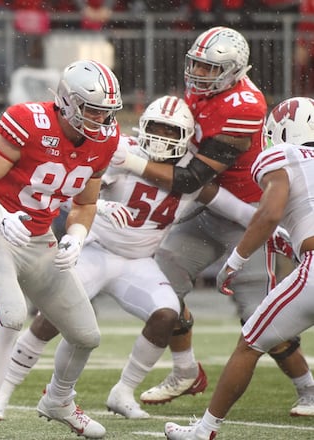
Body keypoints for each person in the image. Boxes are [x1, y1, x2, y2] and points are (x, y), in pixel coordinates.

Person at [0, 95, 277, 421]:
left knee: (167, 313)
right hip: (96, 250)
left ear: (184, 136)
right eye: (156, 128)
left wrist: (279, 229)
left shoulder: (190, 174)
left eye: (171, 131)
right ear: (142, 127)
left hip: (139, 261)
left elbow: (237, 209)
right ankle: (4, 390)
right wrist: (102, 206)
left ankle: (123, 391)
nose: (162, 137)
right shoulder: (121, 153)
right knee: (54, 316)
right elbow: (69, 196)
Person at [110, 26, 314, 415]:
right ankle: (186, 370)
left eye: (209, 69)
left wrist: (132, 161)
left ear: (234, 70)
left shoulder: (245, 106)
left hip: (250, 217)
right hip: (208, 210)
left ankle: (308, 388)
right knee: (163, 288)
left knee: (257, 316)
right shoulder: (204, 91)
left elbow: (191, 178)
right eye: (197, 66)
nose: (198, 75)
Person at [0, 59, 122, 440]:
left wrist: (77, 236)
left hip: (40, 238)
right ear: (67, 102)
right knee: (11, 317)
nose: (101, 120)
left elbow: (85, 203)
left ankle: (59, 400)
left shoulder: (105, 141)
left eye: (106, 112)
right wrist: (1, 216)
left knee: (86, 335)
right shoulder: (28, 122)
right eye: (93, 110)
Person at [164, 97, 314, 439]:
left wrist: (236, 260)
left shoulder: (282, 155)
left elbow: (269, 213)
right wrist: (288, 240)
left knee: (249, 344)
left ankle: (206, 429)